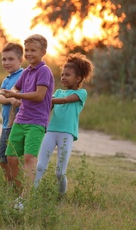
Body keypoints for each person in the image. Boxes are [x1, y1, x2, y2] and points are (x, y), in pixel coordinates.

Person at [1, 34, 54, 210]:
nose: (29, 54)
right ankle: (22, 193)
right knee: (11, 157)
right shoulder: (26, 72)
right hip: (20, 120)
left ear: (43, 52)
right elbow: (17, 86)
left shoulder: (44, 71)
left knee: (30, 157)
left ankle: (25, 198)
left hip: (36, 122)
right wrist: (13, 93)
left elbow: (39, 96)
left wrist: (16, 95)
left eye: (33, 50)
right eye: (27, 50)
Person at [34, 52, 94, 195]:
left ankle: (60, 196)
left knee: (60, 172)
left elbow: (65, 100)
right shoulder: (58, 92)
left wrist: (45, 98)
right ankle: (32, 193)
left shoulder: (81, 94)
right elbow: (47, 108)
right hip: (51, 131)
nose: (63, 77)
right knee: (40, 166)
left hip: (67, 134)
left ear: (78, 78)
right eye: (62, 74)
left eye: (67, 75)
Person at [0, 42, 23, 182]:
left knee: (13, 158)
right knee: (2, 159)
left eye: (10, 59)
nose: (6, 62)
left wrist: (13, 97)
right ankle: (10, 185)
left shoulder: (24, 75)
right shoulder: (6, 80)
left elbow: (21, 95)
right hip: (6, 125)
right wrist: (11, 99)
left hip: (18, 124)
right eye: (4, 59)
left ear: (20, 60)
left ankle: (19, 187)